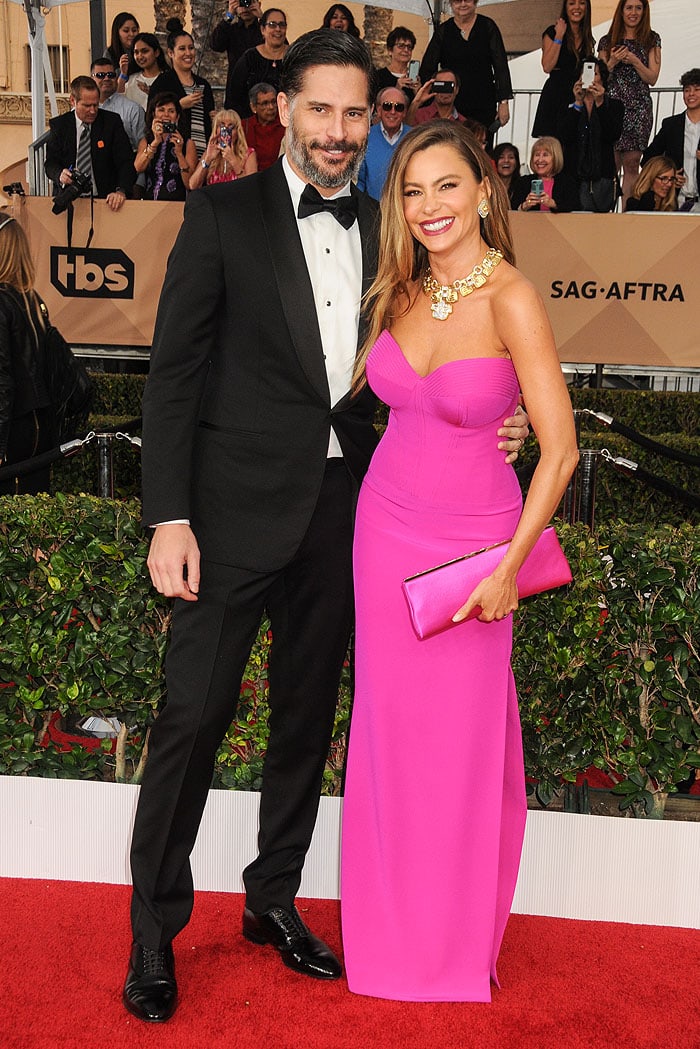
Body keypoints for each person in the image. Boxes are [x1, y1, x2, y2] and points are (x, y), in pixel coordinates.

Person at [121, 28, 529, 1025]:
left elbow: (429, 370)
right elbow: (171, 377)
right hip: (224, 520)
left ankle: (273, 898)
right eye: (321, 110)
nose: (340, 131)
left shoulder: (400, 237)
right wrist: (168, 514)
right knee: (192, 722)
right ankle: (152, 935)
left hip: (351, 522)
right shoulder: (220, 215)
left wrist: (501, 416)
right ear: (284, 110)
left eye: (355, 112)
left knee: (305, 727)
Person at [341, 120, 578, 1003]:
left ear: (484, 189)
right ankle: (384, 936)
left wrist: (511, 566)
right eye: (412, 191)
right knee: (388, 738)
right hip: (383, 532)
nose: (430, 206)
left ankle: (448, 945)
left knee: (461, 747)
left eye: (447, 186)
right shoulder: (398, 288)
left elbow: (558, 451)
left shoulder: (514, 296)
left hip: (476, 549)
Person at [419, 0, 512, 146]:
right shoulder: (443, 31)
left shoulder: (488, 26)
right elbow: (427, 69)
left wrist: (504, 102)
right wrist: (435, 97)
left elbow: (501, 66)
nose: (462, 4)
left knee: (481, 149)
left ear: (475, 2)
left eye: (467, 0)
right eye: (457, 0)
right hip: (452, 105)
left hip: (484, 103)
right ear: (450, 3)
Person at [598, 0, 661, 207]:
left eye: (638, 8)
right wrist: (613, 62)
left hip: (639, 107)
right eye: (629, 7)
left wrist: (634, 60)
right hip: (613, 107)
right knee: (611, 163)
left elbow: (652, 77)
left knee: (632, 163)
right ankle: (605, 212)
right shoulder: (607, 41)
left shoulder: (652, 39)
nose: (633, 12)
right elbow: (599, 78)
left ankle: (628, 211)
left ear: (644, 11)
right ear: (621, 11)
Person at [44, 75, 134, 210]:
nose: (92, 111)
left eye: (96, 105)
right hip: (70, 201)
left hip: (106, 201)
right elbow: (50, 163)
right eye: (87, 106)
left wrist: (121, 191)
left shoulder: (111, 123)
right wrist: (59, 174)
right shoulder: (60, 125)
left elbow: (125, 161)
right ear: (73, 101)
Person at [557, 57, 624, 212]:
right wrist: (577, 104)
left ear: (602, 78)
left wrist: (600, 103)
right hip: (573, 173)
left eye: (595, 74)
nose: (588, 78)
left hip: (602, 174)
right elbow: (565, 135)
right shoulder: (568, 104)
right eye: (585, 73)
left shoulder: (614, 105)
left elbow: (612, 134)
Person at [148, 20, 216, 156]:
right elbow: (151, 118)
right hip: (174, 154)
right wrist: (179, 105)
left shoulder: (203, 85)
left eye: (191, 48)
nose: (188, 53)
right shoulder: (162, 83)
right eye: (182, 49)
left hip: (204, 157)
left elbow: (209, 119)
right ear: (170, 53)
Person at [532, 0, 595, 138]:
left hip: (577, 95)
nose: (577, 7)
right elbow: (547, 66)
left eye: (582, 3)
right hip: (556, 94)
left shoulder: (587, 38)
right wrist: (559, 36)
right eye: (572, 3)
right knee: (552, 146)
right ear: (565, 7)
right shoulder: (552, 32)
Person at [643, 68, 700, 211]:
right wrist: (670, 174)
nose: (691, 94)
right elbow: (648, 158)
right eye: (687, 90)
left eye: (697, 89)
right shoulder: (671, 125)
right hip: (675, 201)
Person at [134, 93, 197, 200]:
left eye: (171, 111)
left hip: (176, 203)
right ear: (154, 114)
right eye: (161, 110)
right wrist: (155, 142)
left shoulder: (187, 143)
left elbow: (190, 184)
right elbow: (138, 167)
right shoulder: (147, 141)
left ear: (177, 116)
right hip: (149, 202)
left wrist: (179, 153)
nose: (166, 114)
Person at [228, 8, 288, 118]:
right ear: (262, 30)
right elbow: (234, 96)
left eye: (282, 25)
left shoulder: (294, 57)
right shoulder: (249, 58)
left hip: (286, 125)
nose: (278, 29)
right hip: (253, 127)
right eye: (272, 25)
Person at [357, 88, 411, 200]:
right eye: (387, 106)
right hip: (373, 211)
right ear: (379, 109)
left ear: (405, 112)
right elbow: (360, 183)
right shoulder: (365, 137)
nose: (392, 111)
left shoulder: (414, 137)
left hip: (406, 211)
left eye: (399, 107)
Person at [210, 0, 264, 111]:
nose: (245, 8)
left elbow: (283, 48)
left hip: (262, 93)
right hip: (236, 94)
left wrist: (263, 18)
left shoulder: (264, 30)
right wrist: (229, 15)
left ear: (258, 3)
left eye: (248, 2)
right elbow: (215, 44)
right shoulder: (232, 30)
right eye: (241, 4)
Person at [189, 109, 257, 188]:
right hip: (214, 199)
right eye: (222, 126)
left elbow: (252, 187)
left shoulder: (248, 154)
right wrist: (207, 160)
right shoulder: (209, 153)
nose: (226, 131)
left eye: (231, 126)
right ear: (216, 130)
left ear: (237, 131)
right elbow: (193, 185)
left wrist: (233, 161)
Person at [511, 136, 578, 213]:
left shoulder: (567, 182)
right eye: (537, 155)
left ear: (555, 158)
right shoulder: (523, 182)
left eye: (545, 155)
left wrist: (553, 204)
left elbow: (575, 208)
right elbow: (512, 210)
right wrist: (525, 206)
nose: (540, 160)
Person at [91, 56, 145, 151]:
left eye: (111, 75)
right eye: (100, 75)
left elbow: (142, 146)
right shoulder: (82, 109)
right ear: (91, 78)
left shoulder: (133, 109)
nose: (107, 78)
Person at [242, 82, 285, 171]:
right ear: (253, 107)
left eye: (273, 102)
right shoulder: (244, 127)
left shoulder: (285, 125)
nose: (271, 107)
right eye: (265, 103)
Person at [373, 27, 419, 105]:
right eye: (401, 46)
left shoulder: (417, 77)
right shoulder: (379, 77)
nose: (406, 50)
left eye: (409, 47)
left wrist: (418, 92)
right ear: (390, 50)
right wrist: (397, 89)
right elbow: (377, 105)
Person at [124, 33, 168, 110]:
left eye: (145, 51)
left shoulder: (167, 78)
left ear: (156, 52)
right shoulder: (131, 80)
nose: (140, 56)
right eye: (136, 52)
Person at [106, 11, 139, 90]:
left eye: (134, 30)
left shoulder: (141, 51)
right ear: (117, 32)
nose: (131, 34)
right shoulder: (110, 54)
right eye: (126, 31)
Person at [492, 141, 521, 206]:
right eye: (501, 157)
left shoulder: (522, 186)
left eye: (511, 157)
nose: (506, 160)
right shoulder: (488, 186)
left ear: (516, 163)